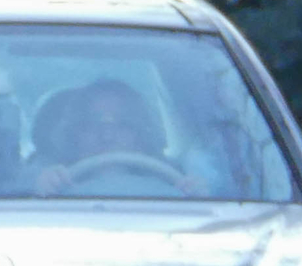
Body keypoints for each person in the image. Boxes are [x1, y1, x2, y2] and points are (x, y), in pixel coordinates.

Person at [32, 79, 205, 196]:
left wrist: (198, 195)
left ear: (141, 134)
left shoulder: (176, 181)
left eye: (123, 124)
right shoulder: (47, 177)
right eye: (93, 123)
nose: (107, 136)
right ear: (74, 132)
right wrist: (40, 190)